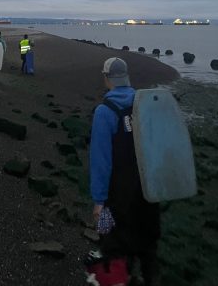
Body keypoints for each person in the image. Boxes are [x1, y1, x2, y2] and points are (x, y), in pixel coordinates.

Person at [89, 57, 161, 286]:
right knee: (148, 249)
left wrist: (98, 202)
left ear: (107, 78)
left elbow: (101, 162)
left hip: (115, 199)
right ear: (127, 77)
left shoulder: (104, 112)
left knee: (110, 247)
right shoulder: (145, 105)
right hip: (149, 195)